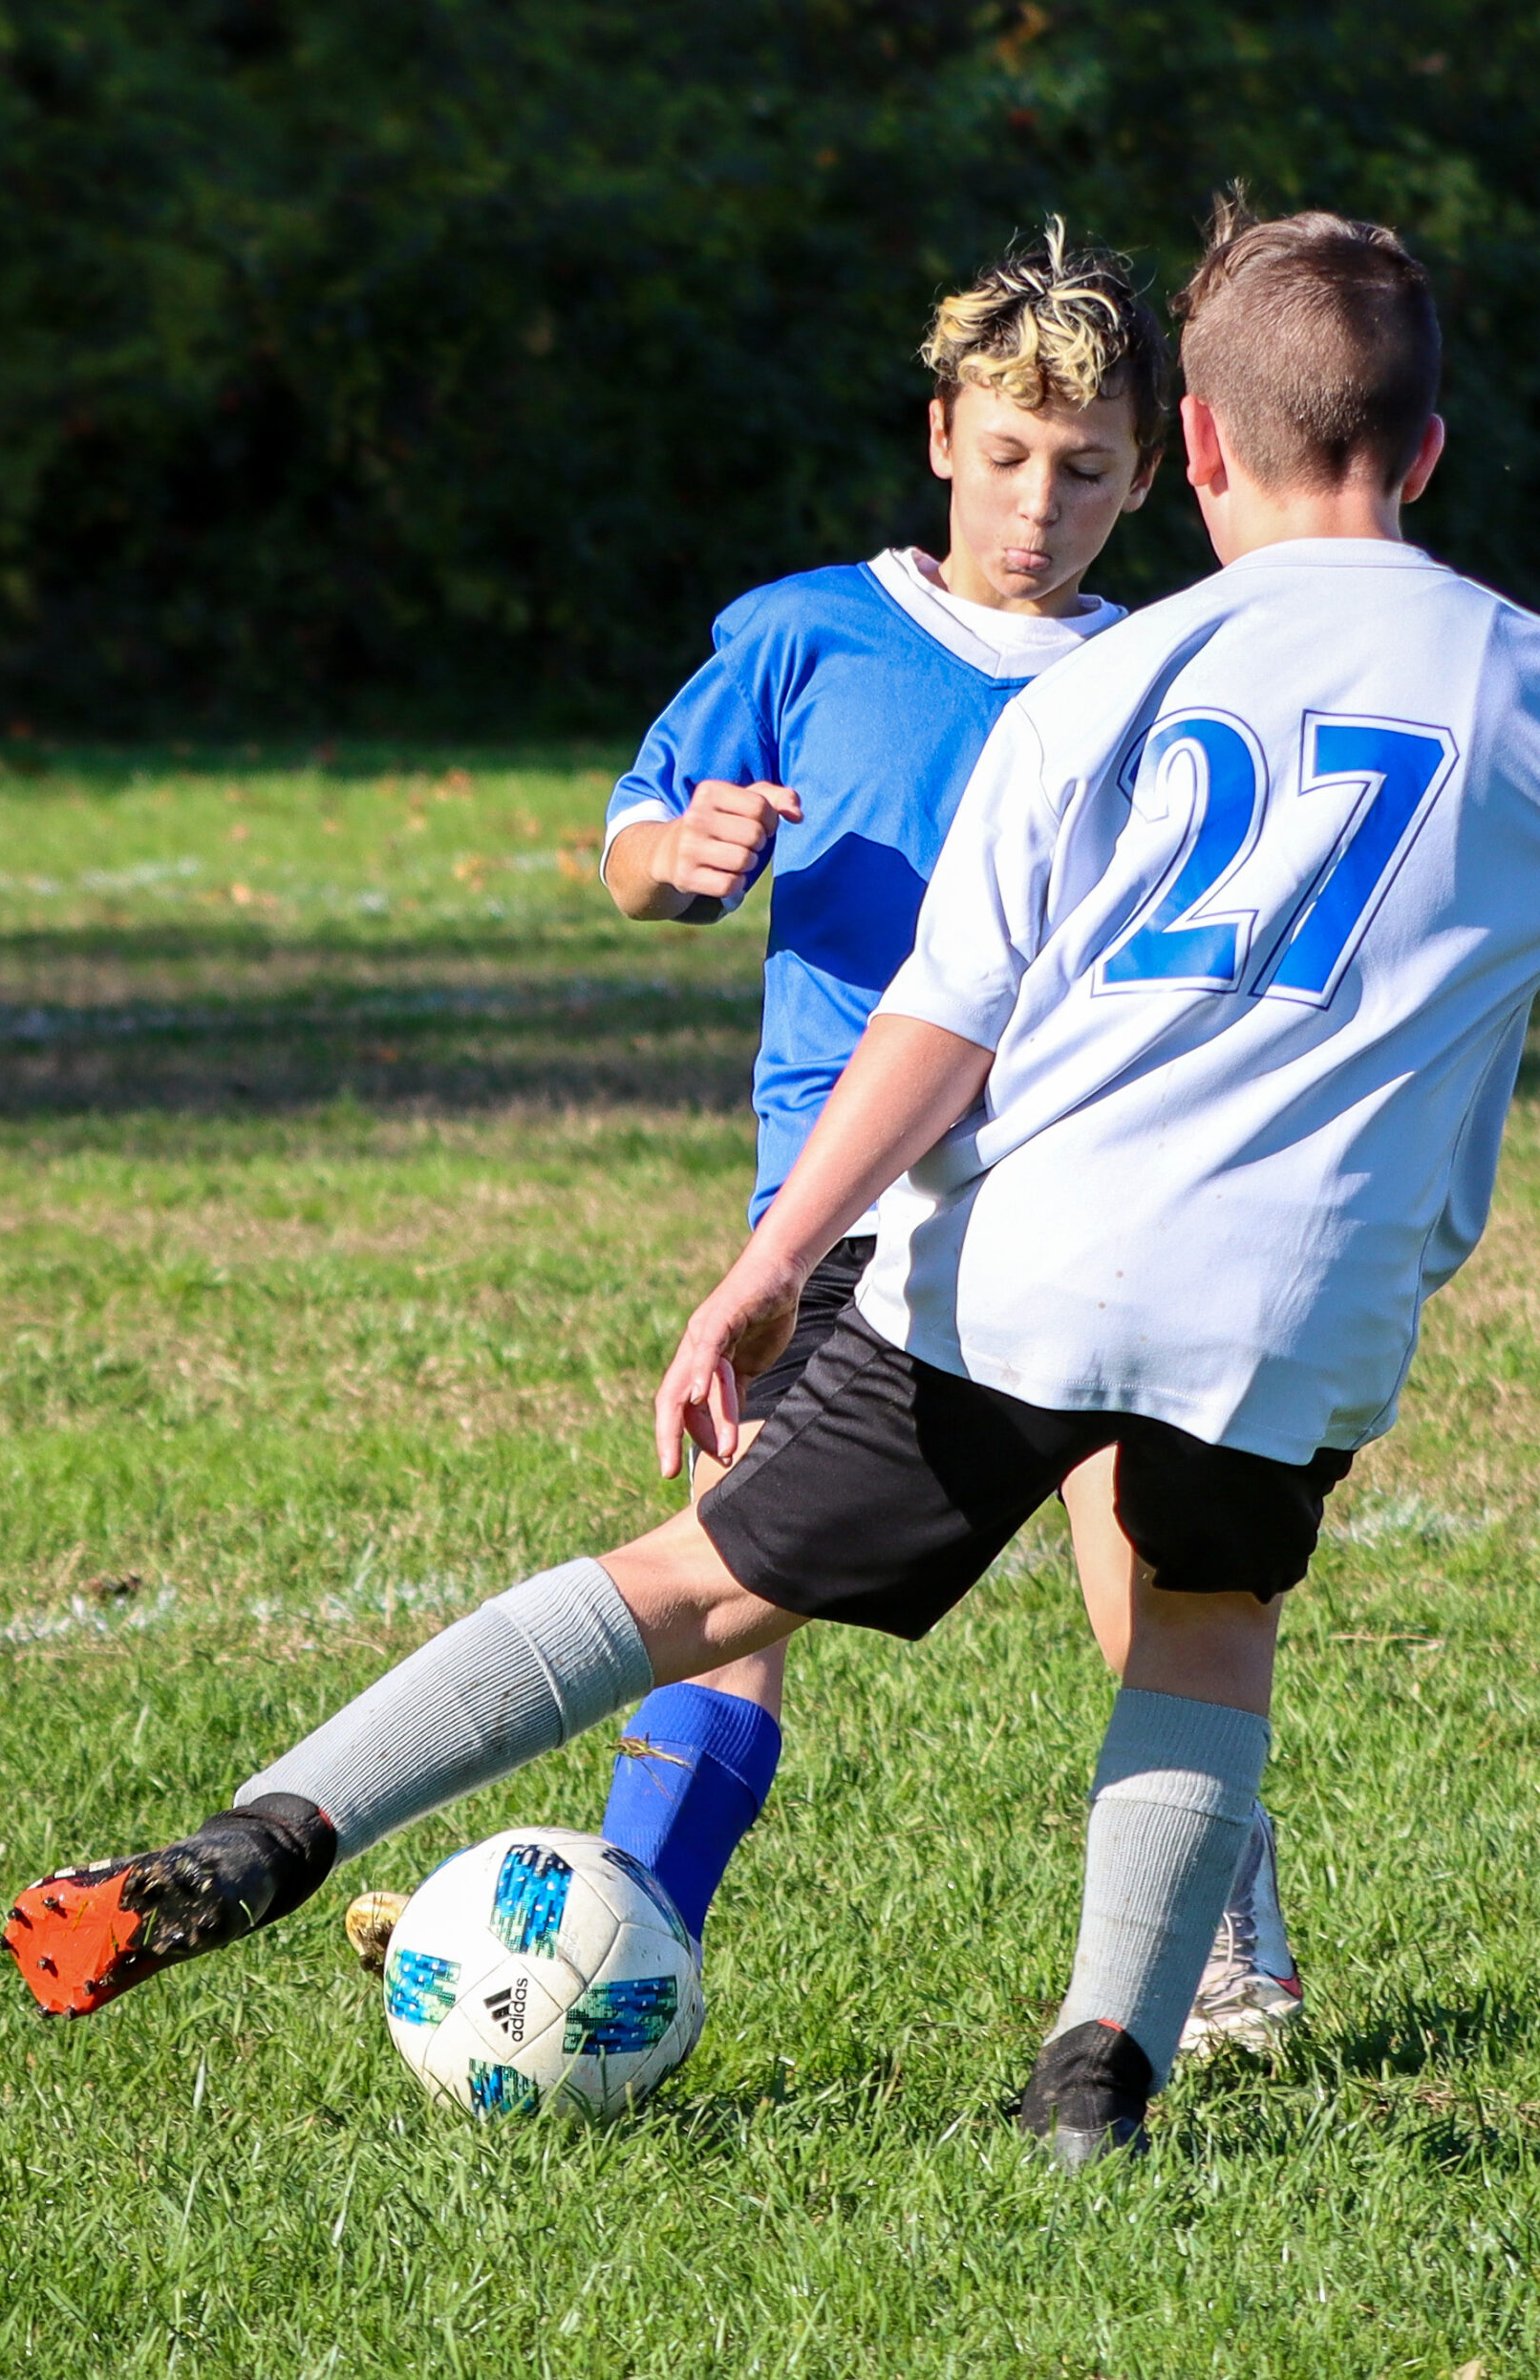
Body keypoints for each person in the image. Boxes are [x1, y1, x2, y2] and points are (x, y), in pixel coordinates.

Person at [3, 202, 1540, 2172]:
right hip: (1292, 1308)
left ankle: (265, 1834)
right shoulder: (1539, 689)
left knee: (694, 1582)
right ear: (1428, 451)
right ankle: (1097, 2072)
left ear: (1187, 447)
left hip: (1019, 1262)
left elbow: (943, 1022)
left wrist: (767, 1261)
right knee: (1196, 1624)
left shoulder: (1101, 683)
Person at [337, 224, 1310, 2056]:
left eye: (1085, 468)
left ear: (1148, 477)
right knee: (730, 1583)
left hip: (1088, 1197)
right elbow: (634, 842)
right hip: (843, 1201)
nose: (1038, 506)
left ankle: (1227, 1954)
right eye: (1006, 456)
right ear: (941, 435)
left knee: (1148, 1576)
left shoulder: (1173, 670)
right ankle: (615, 1950)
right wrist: (679, 856)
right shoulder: (805, 633)